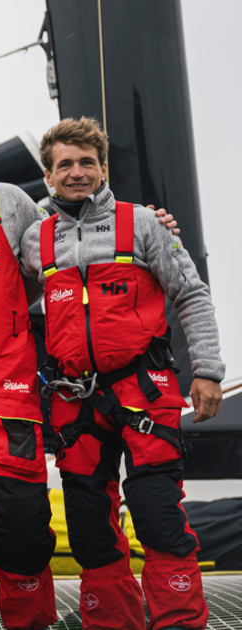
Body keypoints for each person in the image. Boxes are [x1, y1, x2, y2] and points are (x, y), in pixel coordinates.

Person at [21, 117, 223, 630]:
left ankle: (179, 623)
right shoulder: (34, 240)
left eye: (87, 162)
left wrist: (208, 371)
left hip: (144, 391)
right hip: (75, 400)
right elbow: (6, 304)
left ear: (104, 167)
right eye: (65, 164)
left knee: (157, 517)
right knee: (89, 530)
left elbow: (192, 295)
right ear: (48, 175)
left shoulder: (144, 224)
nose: (77, 172)